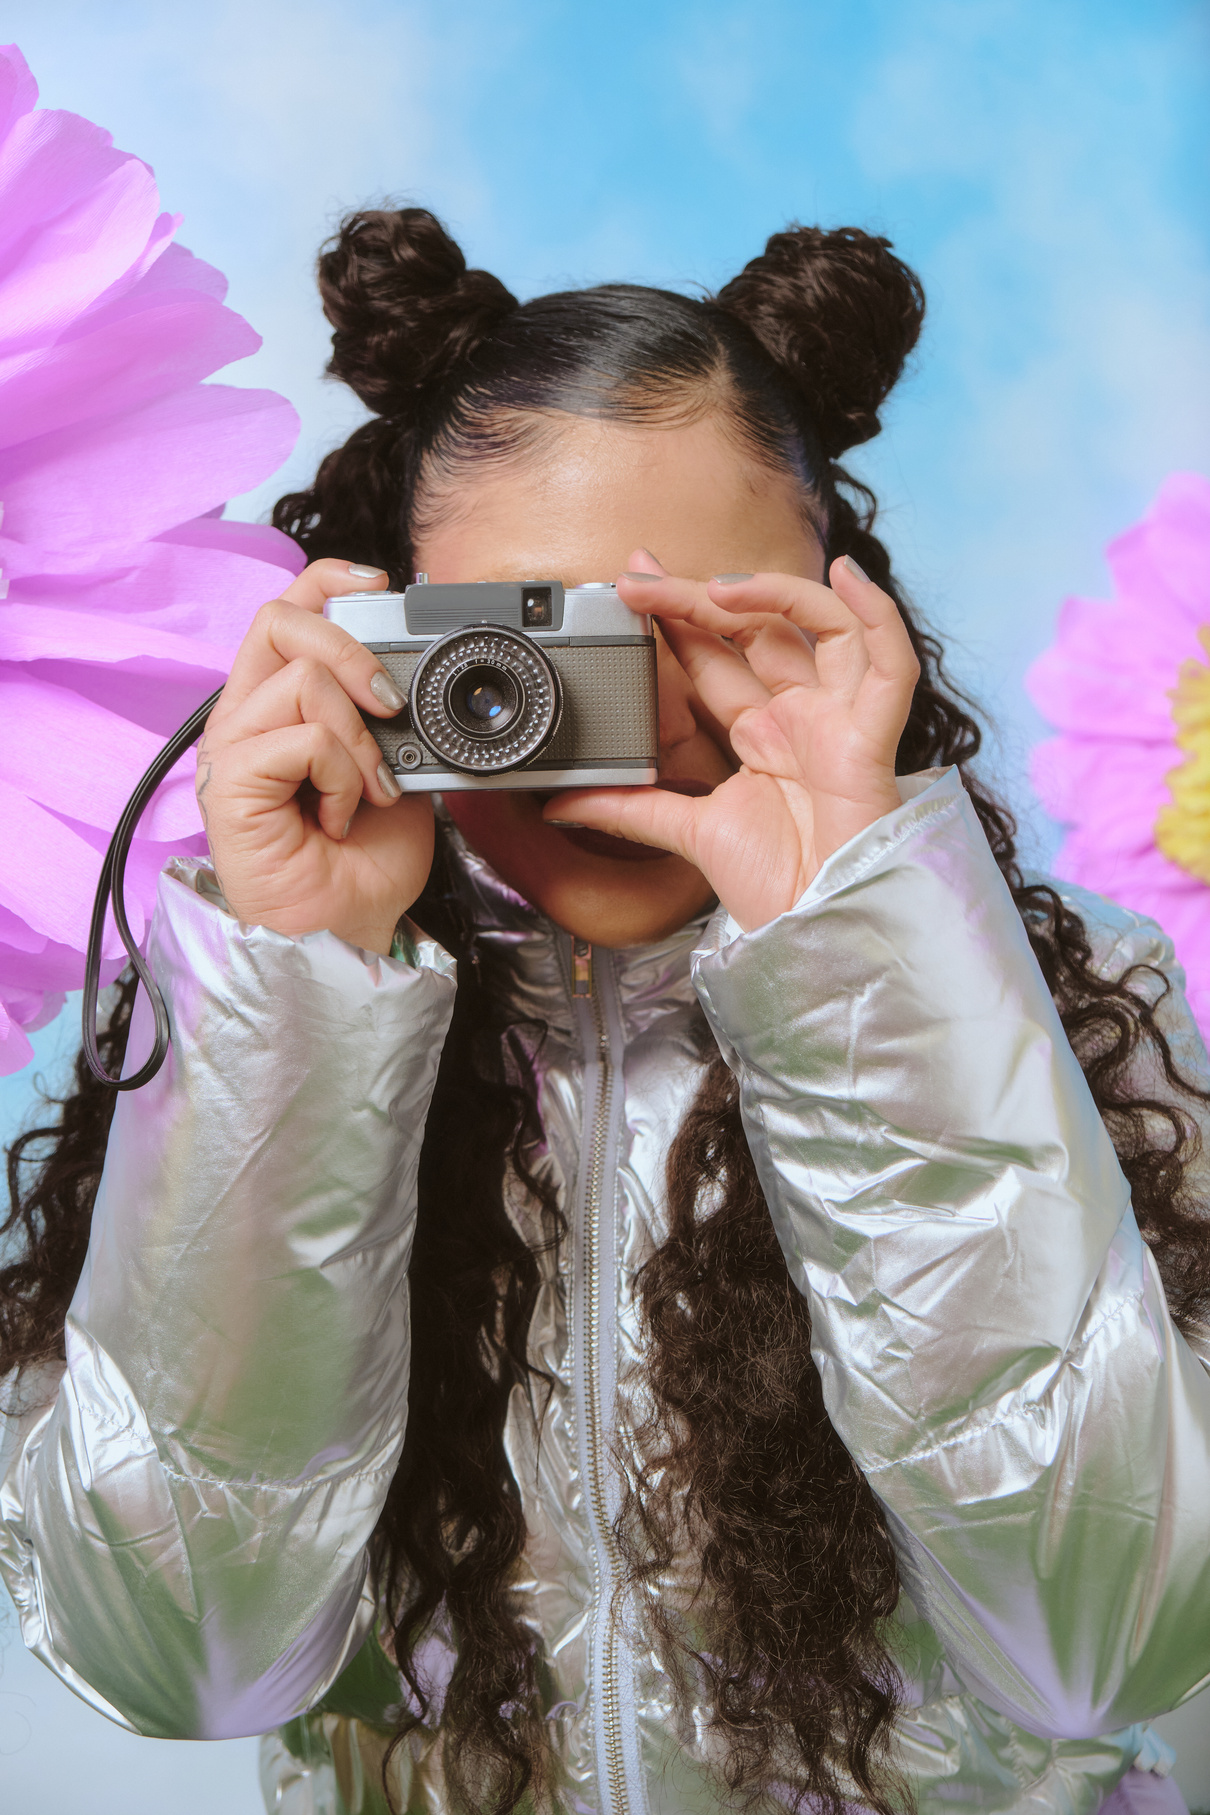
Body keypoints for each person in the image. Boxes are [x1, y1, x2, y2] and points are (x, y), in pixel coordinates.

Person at [2, 210, 1209, 1815]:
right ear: (373, 649)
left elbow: (1105, 1641)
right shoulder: (239, 1017)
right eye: (517, 657)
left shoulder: (1078, 1005)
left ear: (856, 632)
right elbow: (182, 1659)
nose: (612, 739)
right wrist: (299, 992)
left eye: (695, 638)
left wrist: (867, 943)